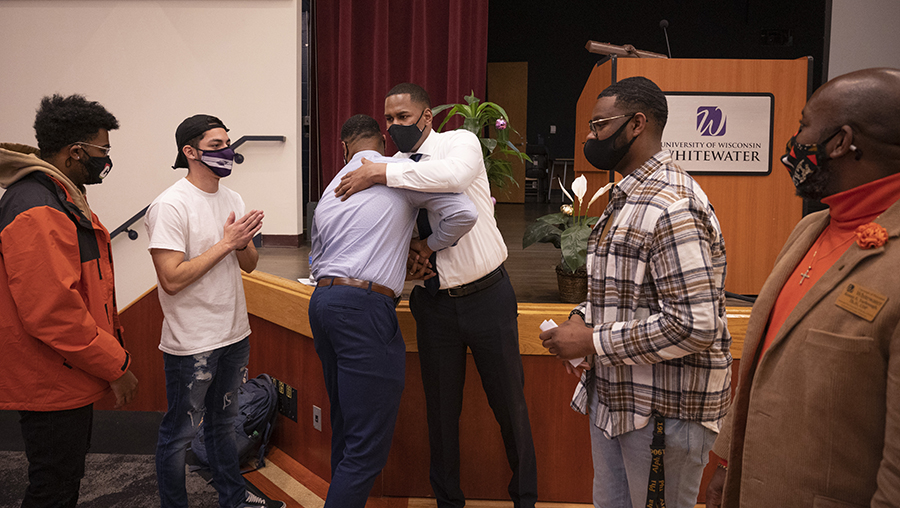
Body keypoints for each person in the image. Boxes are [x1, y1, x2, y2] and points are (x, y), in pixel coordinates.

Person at [335, 83, 538, 508]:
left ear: (427, 117)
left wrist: (380, 172)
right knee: (441, 416)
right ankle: (448, 501)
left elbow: (453, 180)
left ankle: (525, 499)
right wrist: (413, 253)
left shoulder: (457, 143)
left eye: (403, 117)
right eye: (388, 119)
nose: (394, 126)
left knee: (511, 408)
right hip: (434, 304)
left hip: (488, 296)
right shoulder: (393, 167)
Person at [705, 68, 900, 507]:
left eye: (802, 126)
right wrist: (727, 463)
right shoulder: (811, 229)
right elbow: (764, 360)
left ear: (840, 142)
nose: (793, 143)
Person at [539, 76, 731, 508]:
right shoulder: (628, 195)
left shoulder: (673, 204)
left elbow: (694, 325)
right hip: (618, 402)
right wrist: (581, 320)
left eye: (599, 125)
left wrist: (592, 341)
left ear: (637, 124)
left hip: (666, 412)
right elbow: (620, 289)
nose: (590, 137)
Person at [309, 114, 476, 507]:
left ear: (343, 147)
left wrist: (391, 260)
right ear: (383, 143)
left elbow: (318, 261)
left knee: (347, 428)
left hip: (323, 303)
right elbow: (465, 213)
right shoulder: (398, 171)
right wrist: (426, 247)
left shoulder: (332, 187)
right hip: (365, 311)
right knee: (367, 448)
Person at [0, 94, 139, 507]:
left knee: (62, 477)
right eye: (103, 150)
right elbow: (52, 311)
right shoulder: (38, 206)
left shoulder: (59, 195)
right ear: (75, 151)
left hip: (62, 370)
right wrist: (116, 366)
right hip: (50, 375)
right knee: (53, 486)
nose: (106, 159)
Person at [146, 114, 283, 508]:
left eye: (228, 143)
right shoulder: (170, 205)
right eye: (215, 146)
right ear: (189, 152)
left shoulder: (233, 198)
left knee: (224, 425)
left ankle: (233, 500)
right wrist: (226, 242)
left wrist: (243, 242)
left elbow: (250, 264)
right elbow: (170, 279)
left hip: (234, 335)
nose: (227, 152)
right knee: (180, 434)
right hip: (192, 344)